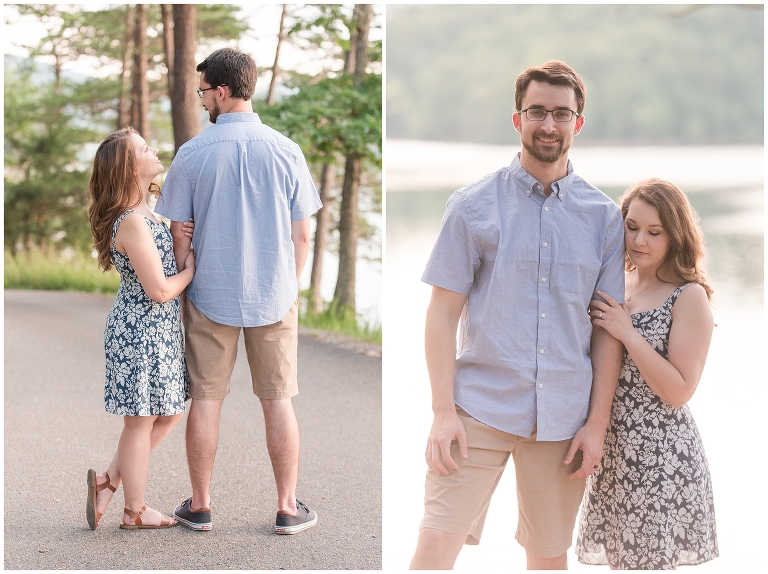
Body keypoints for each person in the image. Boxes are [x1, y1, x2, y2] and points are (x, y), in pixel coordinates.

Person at [409, 60, 626, 570]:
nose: (549, 125)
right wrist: (442, 412)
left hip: (564, 420)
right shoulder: (472, 206)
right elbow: (441, 315)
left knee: (548, 559)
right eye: (537, 112)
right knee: (433, 551)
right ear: (517, 119)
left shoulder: (603, 218)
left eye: (561, 114)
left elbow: (607, 333)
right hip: (477, 410)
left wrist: (596, 424)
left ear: (578, 123)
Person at [154, 47, 322, 534]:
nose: (203, 99)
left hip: (209, 292)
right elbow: (302, 235)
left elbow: (178, 231)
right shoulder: (287, 150)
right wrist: (289, 286)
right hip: (274, 294)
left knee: (206, 399)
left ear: (223, 92)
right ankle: (287, 508)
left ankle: (201, 506)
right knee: (278, 399)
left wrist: (183, 278)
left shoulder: (193, 153)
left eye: (204, 91)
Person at [575, 179, 718, 569]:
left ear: (675, 235)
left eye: (655, 232)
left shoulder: (688, 295)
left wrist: (627, 333)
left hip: (660, 455)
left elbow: (680, 390)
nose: (639, 240)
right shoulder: (616, 283)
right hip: (613, 451)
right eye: (632, 226)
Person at [86, 127, 196, 530]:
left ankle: (109, 481)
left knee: (168, 413)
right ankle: (134, 510)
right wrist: (191, 270)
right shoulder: (131, 221)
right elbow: (160, 290)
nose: (155, 151)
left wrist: (176, 239)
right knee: (140, 420)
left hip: (156, 332)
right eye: (145, 149)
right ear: (130, 167)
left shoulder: (146, 213)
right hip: (139, 332)